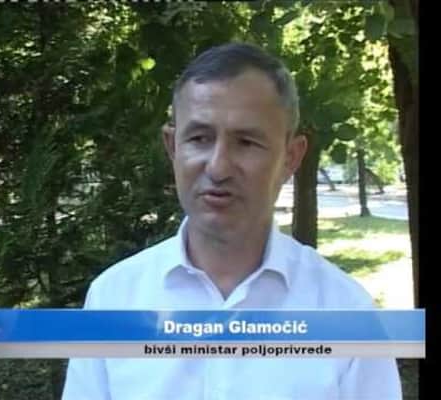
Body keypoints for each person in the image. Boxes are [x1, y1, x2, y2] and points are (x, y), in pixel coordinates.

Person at [62, 42, 402, 400]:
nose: (218, 167)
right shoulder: (112, 299)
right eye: (199, 138)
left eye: (246, 142)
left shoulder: (347, 313)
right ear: (172, 146)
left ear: (291, 157)